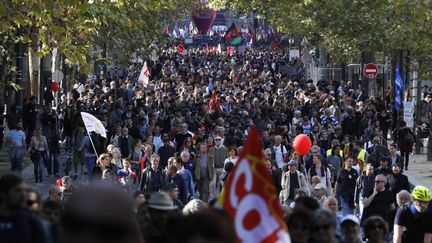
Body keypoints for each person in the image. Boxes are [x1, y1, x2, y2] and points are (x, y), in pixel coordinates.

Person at [0, 173, 48, 243]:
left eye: (24, 191)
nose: (23, 195)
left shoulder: (31, 221)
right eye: (18, 191)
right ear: (3, 194)